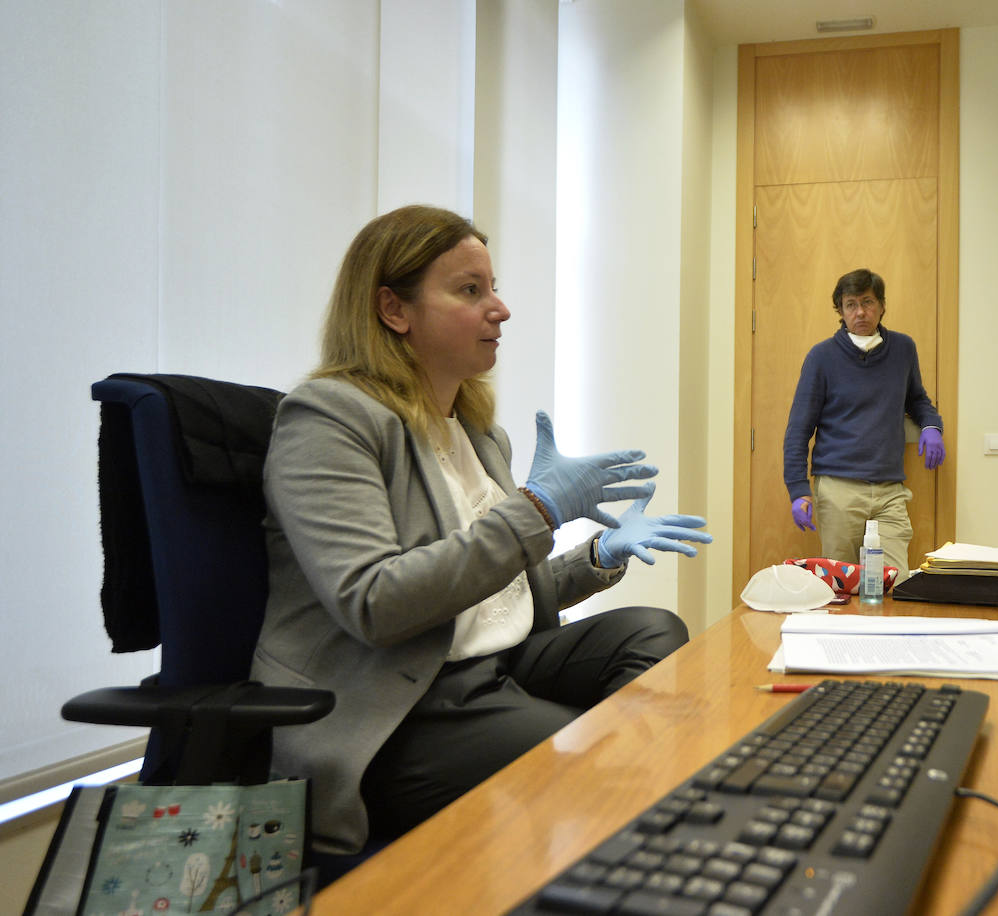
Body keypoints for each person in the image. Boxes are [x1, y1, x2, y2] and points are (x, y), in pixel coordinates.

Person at [250, 205, 711, 855]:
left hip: (493, 668)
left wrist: (596, 556)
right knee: (586, 755)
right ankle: (627, 815)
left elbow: (491, 594)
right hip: (397, 709)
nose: (501, 308)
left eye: (492, 288)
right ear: (394, 310)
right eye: (471, 290)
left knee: (654, 632)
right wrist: (537, 509)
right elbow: (376, 603)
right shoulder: (329, 419)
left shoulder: (476, 431)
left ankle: (624, 801)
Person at [782, 268, 944, 578]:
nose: (860, 312)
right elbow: (799, 429)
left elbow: (917, 400)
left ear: (882, 306)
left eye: (868, 302)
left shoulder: (903, 349)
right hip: (838, 488)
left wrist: (932, 426)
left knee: (894, 581)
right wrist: (798, 489)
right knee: (841, 586)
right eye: (851, 304)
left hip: (890, 490)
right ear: (840, 311)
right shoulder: (822, 357)